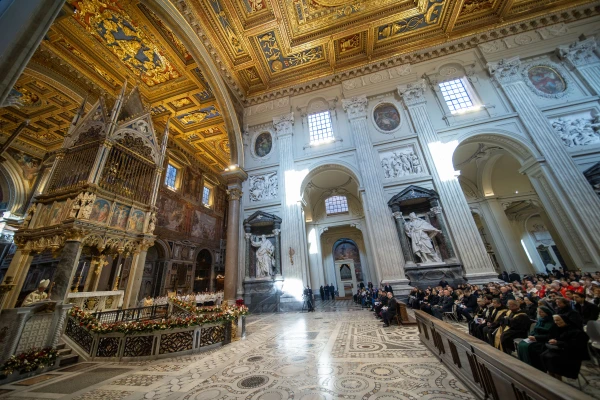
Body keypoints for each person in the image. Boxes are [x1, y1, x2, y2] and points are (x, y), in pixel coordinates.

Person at [541, 314, 590, 380]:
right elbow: (550, 336)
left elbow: (575, 345)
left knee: (553, 359)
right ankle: (551, 375)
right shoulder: (557, 328)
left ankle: (558, 379)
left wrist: (557, 342)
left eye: (558, 320)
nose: (556, 322)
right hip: (560, 349)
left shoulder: (577, 332)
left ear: (565, 321)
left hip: (572, 353)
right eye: (555, 320)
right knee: (543, 355)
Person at [517, 306, 556, 371]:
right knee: (521, 344)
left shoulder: (552, 322)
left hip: (544, 340)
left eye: (541, 312)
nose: (539, 313)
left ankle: (533, 366)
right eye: (538, 312)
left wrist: (536, 337)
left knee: (531, 347)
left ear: (547, 313)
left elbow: (549, 335)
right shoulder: (540, 320)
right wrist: (531, 336)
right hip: (535, 337)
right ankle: (524, 363)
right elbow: (535, 330)